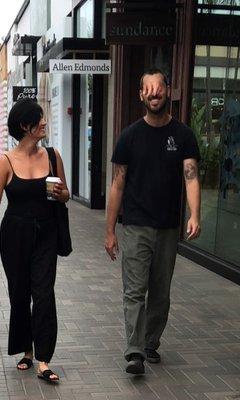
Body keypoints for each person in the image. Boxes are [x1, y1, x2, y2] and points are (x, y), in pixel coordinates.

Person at [105, 68, 201, 375]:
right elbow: (117, 185)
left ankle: (150, 343)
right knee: (134, 290)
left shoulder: (183, 135)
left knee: (160, 292)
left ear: (168, 91)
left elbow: (191, 177)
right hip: (135, 226)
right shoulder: (129, 137)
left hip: (168, 227)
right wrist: (110, 230)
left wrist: (194, 214)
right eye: (147, 89)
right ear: (140, 95)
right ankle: (134, 352)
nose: (153, 94)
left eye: (158, 88)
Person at [0, 98, 69, 382]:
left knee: (44, 294)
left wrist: (62, 195)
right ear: (24, 126)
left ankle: (43, 359)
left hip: (46, 234)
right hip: (14, 236)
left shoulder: (53, 156)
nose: (44, 122)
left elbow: (66, 193)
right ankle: (25, 350)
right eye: (39, 119)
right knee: (20, 295)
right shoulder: (5, 163)